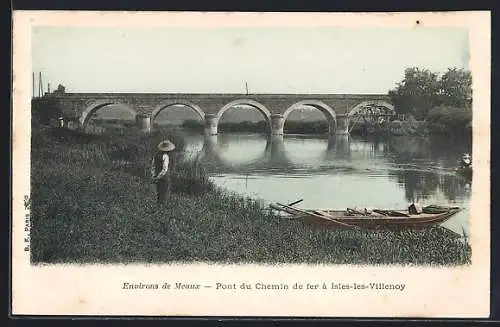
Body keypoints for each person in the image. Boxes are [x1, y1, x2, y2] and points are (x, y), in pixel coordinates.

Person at [151, 140, 176, 207]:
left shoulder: (156, 155)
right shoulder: (166, 156)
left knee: (159, 191)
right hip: (164, 177)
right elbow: (164, 169)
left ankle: (158, 206)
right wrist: (159, 176)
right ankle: (162, 207)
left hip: (156, 175)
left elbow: (153, 167)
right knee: (164, 192)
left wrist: (154, 176)